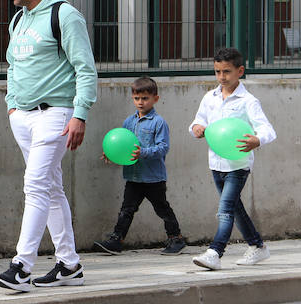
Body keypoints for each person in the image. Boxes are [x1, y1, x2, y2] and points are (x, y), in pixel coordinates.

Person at [0, 0, 97, 293]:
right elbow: (13, 66)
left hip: (56, 112)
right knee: (51, 188)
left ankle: (21, 266)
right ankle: (69, 264)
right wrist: (11, 108)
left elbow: (85, 68)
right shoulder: (19, 19)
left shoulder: (64, 15)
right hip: (22, 116)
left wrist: (80, 113)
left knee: (35, 185)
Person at [189, 47, 277, 270]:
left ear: (240, 71)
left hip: (238, 165)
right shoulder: (210, 97)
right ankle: (257, 246)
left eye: (226, 72)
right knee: (235, 208)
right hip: (215, 163)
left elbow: (267, 129)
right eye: (217, 71)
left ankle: (215, 252)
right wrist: (197, 128)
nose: (221, 77)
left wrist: (257, 140)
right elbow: (197, 122)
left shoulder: (248, 101)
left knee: (225, 209)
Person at [95, 76, 188, 256]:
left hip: (153, 178)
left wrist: (142, 153)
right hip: (133, 176)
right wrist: (112, 154)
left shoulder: (158, 123)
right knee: (127, 209)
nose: (140, 102)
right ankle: (116, 239)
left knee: (162, 209)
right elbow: (122, 145)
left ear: (155, 99)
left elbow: (163, 148)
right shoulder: (128, 122)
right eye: (137, 98)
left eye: (145, 98)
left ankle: (176, 238)